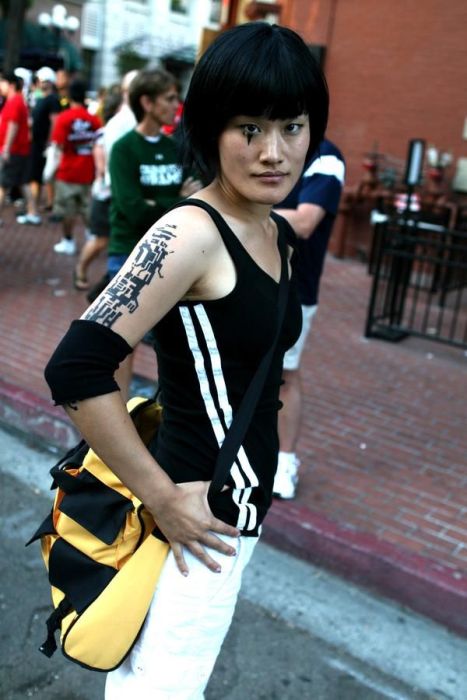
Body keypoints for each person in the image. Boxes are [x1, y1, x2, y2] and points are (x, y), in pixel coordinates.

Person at [44, 22, 328, 698]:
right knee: (160, 688)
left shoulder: (269, 229)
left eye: (291, 126)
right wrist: (161, 497)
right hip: (196, 514)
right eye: (249, 129)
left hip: (236, 508)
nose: (274, 151)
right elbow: (76, 367)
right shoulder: (189, 234)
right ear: (209, 128)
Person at [105, 68, 203, 396]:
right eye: (170, 98)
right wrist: (176, 200)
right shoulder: (124, 148)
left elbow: (192, 200)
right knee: (123, 341)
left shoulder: (174, 147)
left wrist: (160, 202)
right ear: (147, 102)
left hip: (173, 256)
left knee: (173, 339)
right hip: (129, 253)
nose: (177, 105)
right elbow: (132, 208)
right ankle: (117, 417)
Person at [273, 138, 345, 499]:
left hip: (294, 289)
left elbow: (304, 222)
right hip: (243, 278)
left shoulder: (326, 158)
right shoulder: (266, 143)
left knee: (285, 374)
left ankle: (284, 463)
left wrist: (235, 211)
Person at [73, 71, 139, 292]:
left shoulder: (134, 120)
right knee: (101, 240)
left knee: (118, 245)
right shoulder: (119, 124)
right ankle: (80, 270)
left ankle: (103, 286)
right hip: (107, 193)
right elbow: (108, 165)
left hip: (119, 193)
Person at [46, 78, 101, 255]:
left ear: (69, 96)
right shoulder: (94, 120)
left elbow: (58, 146)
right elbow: (99, 144)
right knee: (87, 207)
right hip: (88, 171)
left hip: (68, 171)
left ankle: (68, 241)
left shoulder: (64, 118)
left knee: (67, 210)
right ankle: (92, 236)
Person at [16, 66, 61, 226]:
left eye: (45, 81)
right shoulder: (42, 98)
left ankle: (33, 209)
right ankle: (32, 207)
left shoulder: (53, 100)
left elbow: (55, 123)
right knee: (34, 177)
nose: (42, 83)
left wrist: (50, 143)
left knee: (34, 177)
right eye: (41, 80)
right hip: (35, 143)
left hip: (41, 144)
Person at [0, 72, 30, 223]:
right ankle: (32, 211)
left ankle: (32, 211)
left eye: (2, 82)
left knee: (3, 184)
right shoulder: (16, 100)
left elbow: (13, 125)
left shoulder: (14, 101)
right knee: (21, 182)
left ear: (10, 84)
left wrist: (6, 147)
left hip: (14, 150)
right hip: (17, 149)